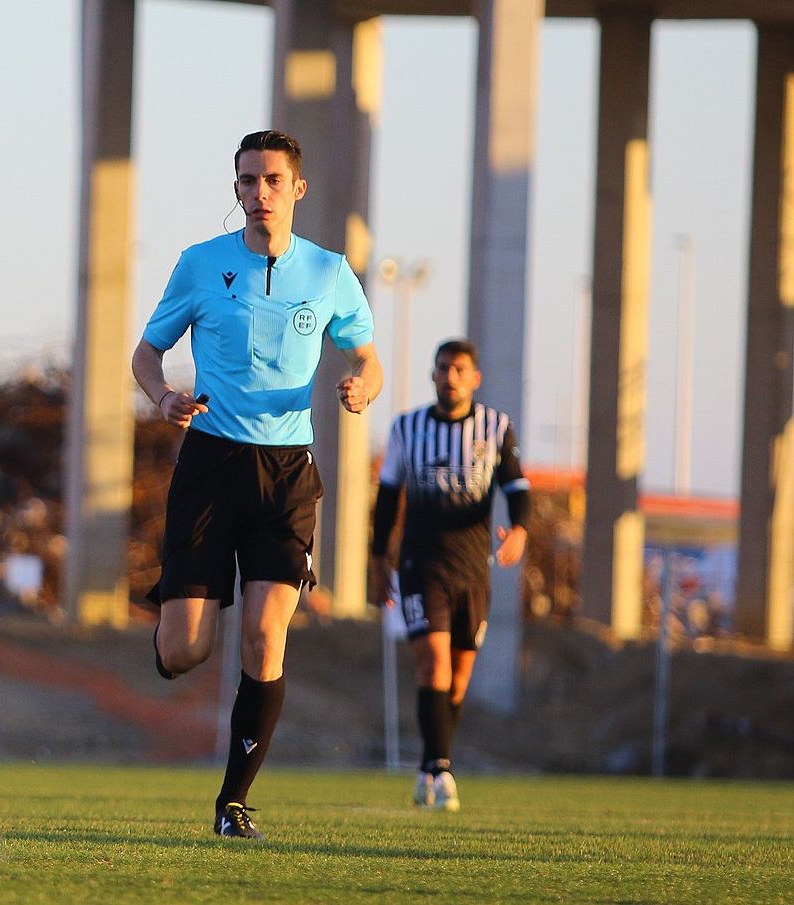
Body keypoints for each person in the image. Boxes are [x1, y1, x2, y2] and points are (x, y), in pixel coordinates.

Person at [132, 129, 383, 840]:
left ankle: (232, 803)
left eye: (272, 180)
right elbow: (146, 353)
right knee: (184, 650)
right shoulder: (201, 265)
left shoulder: (330, 271)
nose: (259, 193)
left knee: (265, 638)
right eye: (247, 181)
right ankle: (172, 633)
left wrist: (363, 385)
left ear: (297, 188)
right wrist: (161, 397)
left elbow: (368, 354)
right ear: (236, 188)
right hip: (210, 465)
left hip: (286, 476)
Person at [368, 338, 530, 812]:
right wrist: (380, 562)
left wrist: (519, 528)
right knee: (433, 666)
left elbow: (517, 485)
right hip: (421, 566)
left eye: (459, 369)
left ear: (474, 378)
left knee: (458, 680)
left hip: (473, 570)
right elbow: (386, 499)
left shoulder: (496, 427)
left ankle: (427, 766)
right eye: (443, 368)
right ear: (433, 375)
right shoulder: (408, 428)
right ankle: (442, 770)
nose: (450, 376)